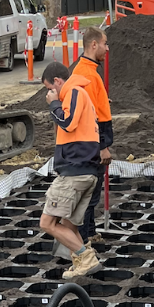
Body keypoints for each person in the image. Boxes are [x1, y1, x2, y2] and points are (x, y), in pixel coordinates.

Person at [39, 61, 102, 280]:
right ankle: (81, 261)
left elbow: (67, 122)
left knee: (47, 223)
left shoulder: (74, 91)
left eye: (49, 88)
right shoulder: (79, 94)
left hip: (75, 171)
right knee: (68, 225)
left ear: (57, 81)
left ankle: (86, 258)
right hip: (85, 169)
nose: (49, 93)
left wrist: (54, 104)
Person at [69, 26, 112, 245]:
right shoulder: (86, 75)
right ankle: (83, 241)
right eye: (104, 44)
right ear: (93, 45)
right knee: (90, 195)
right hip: (92, 144)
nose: (107, 48)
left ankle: (91, 232)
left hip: (90, 143)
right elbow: (91, 117)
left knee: (93, 193)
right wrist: (102, 145)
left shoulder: (88, 72)